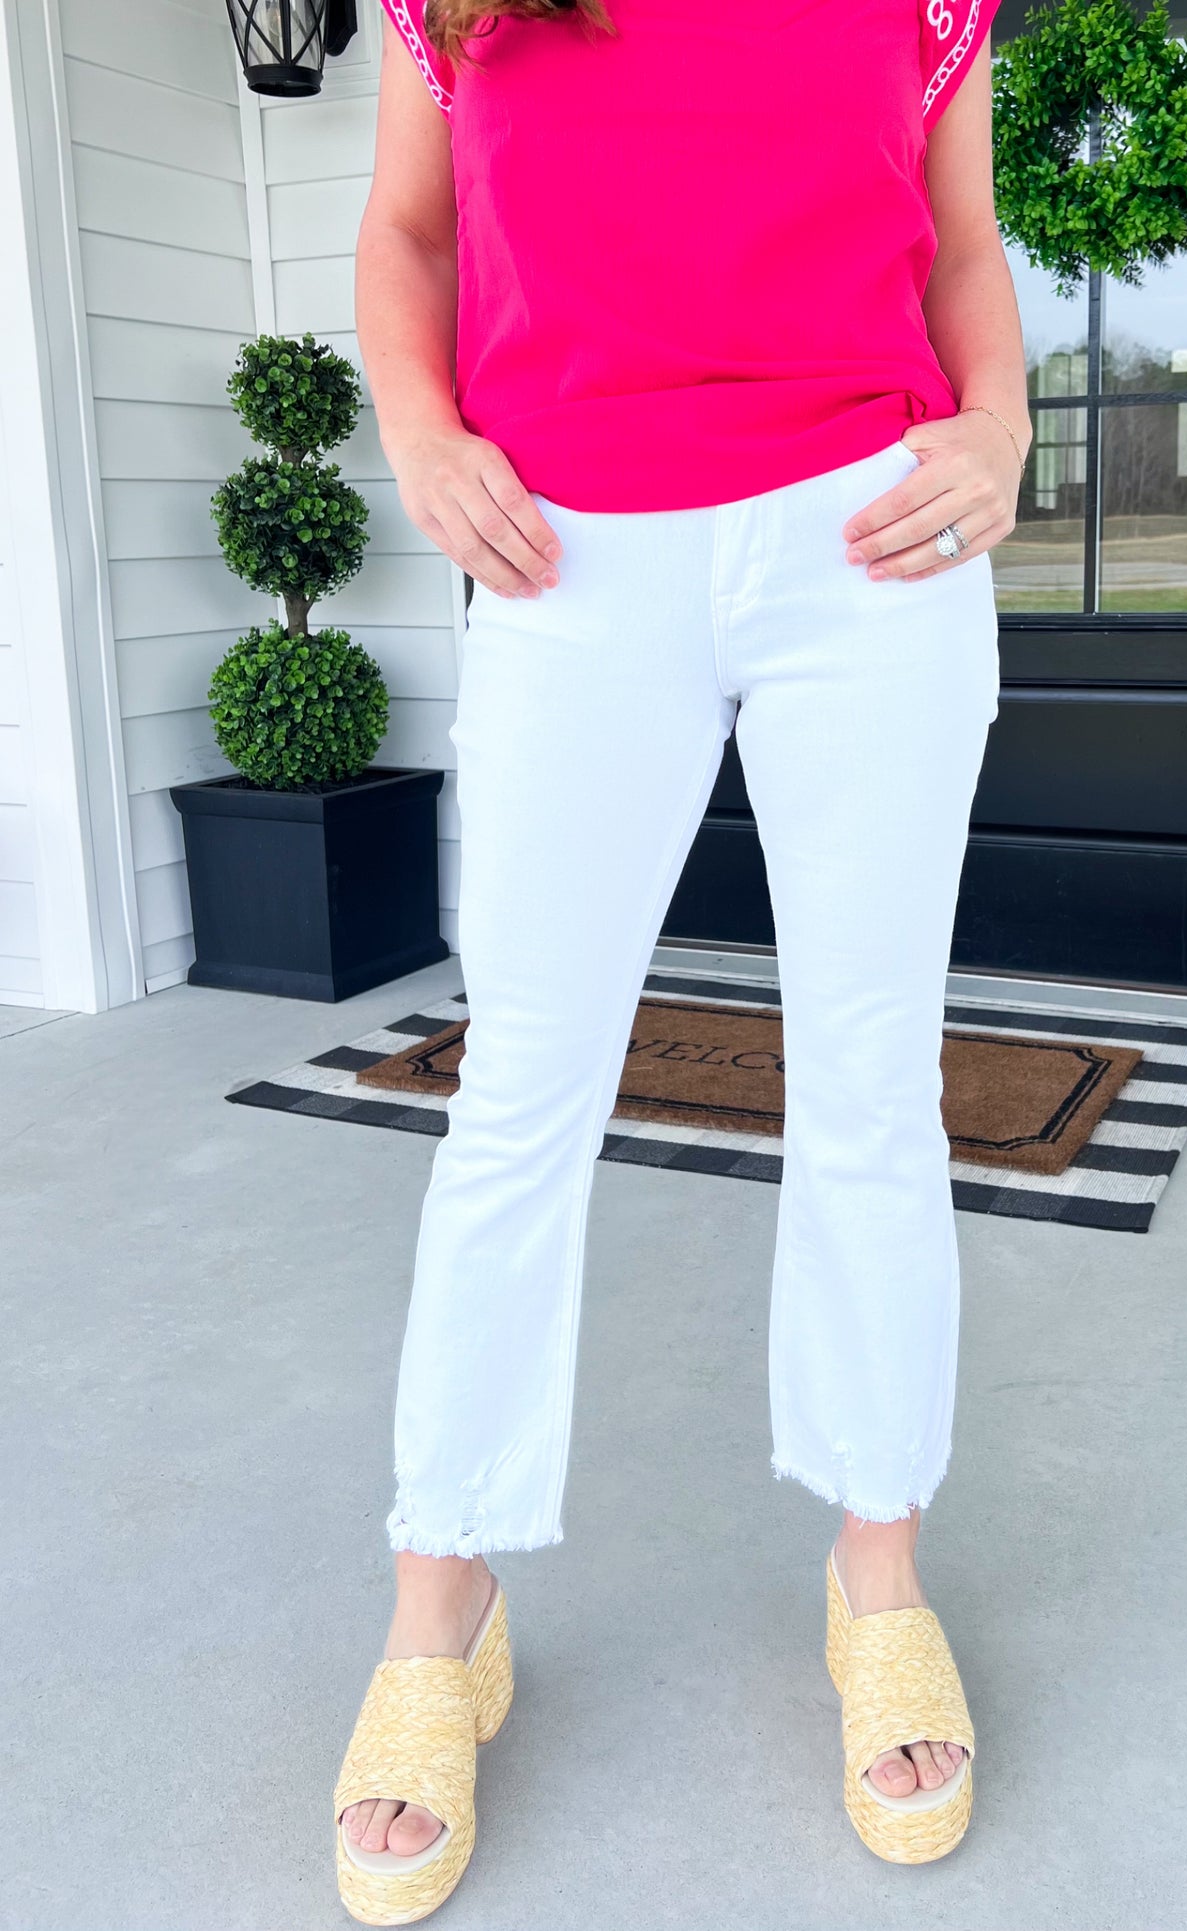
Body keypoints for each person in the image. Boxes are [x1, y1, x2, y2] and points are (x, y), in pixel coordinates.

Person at [332, 0, 1028, 1918]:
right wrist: (417, 427)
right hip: (564, 547)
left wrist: (1000, 421)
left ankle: (874, 1578)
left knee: (873, 1084)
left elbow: (958, 246)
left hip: (868, 541)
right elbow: (406, 229)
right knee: (517, 1097)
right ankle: (440, 1599)